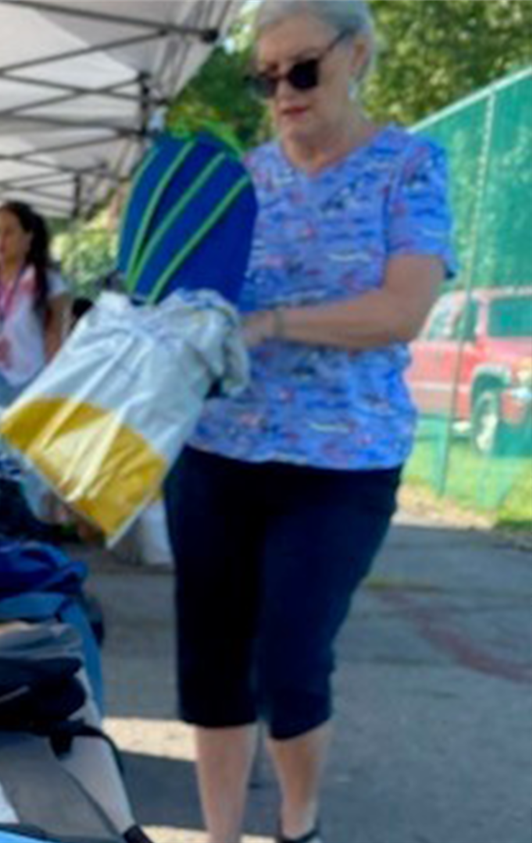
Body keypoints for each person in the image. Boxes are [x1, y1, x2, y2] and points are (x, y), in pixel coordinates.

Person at [163, 2, 455, 842]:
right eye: (266, 75)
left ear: (356, 53)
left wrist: (272, 323)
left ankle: (299, 821)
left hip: (343, 464)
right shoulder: (241, 179)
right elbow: (185, 291)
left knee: (290, 663)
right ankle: (221, 835)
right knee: (212, 666)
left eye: (301, 69)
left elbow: (402, 309)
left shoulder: (409, 167)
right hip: (218, 452)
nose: (282, 90)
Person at [0, 202, 70, 406]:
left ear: (28, 237)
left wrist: (57, 387)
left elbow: (54, 338)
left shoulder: (49, 282)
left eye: (9, 232)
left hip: (29, 383)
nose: (0, 240)